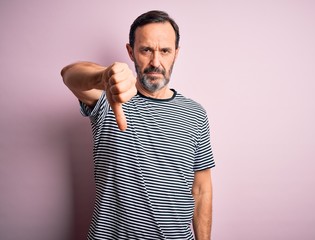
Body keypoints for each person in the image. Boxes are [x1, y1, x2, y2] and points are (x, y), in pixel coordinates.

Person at [61, 10, 215, 240]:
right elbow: (69, 74)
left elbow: (201, 190)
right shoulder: (108, 97)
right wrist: (101, 77)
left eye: (165, 51)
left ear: (176, 54)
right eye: (146, 50)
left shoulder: (196, 114)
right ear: (130, 52)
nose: (155, 62)